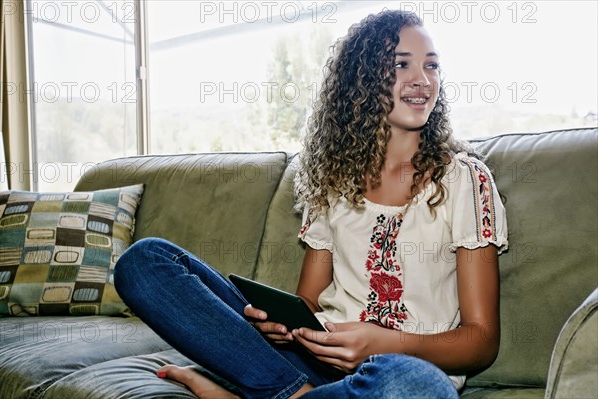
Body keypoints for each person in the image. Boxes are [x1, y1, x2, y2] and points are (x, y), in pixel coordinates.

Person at [114, 9, 508, 399]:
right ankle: (291, 391)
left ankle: (264, 393)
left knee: (418, 387)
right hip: (311, 361)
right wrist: (282, 326)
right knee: (145, 261)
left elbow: (481, 340)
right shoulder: (334, 178)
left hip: (399, 372)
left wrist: (387, 344)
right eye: (401, 64)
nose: (422, 80)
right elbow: (308, 301)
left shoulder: (463, 180)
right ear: (363, 79)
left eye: (432, 66)